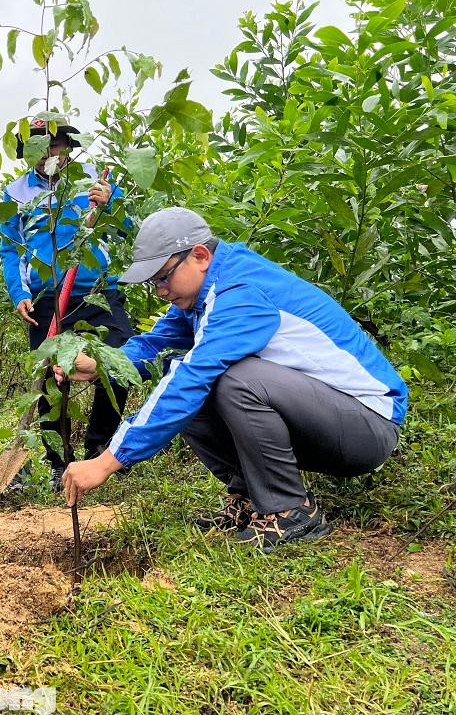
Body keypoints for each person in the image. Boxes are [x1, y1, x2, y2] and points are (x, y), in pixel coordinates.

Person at [60, 207, 406, 551]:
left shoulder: (240, 292)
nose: (161, 290)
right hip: (323, 416)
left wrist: (109, 460)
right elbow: (156, 344)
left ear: (200, 256)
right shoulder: (204, 294)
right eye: (154, 283)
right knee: (185, 374)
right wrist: (102, 362)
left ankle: (290, 510)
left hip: (367, 426)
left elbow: (192, 378)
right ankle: (250, 496)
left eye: (163, 277)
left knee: (230, 379)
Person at [0, 118, 133, 491]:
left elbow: (126, 227)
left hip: (97, 291)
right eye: (38, 147)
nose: (47, 154)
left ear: (68, 147)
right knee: (49, 381)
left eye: (54, 145)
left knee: (119, 361)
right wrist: (19, 292)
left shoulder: (95, 181)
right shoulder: (14, 194)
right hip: (45, 300)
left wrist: (112, 205)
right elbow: (10, 249)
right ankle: (60, 461)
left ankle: (101, 446)